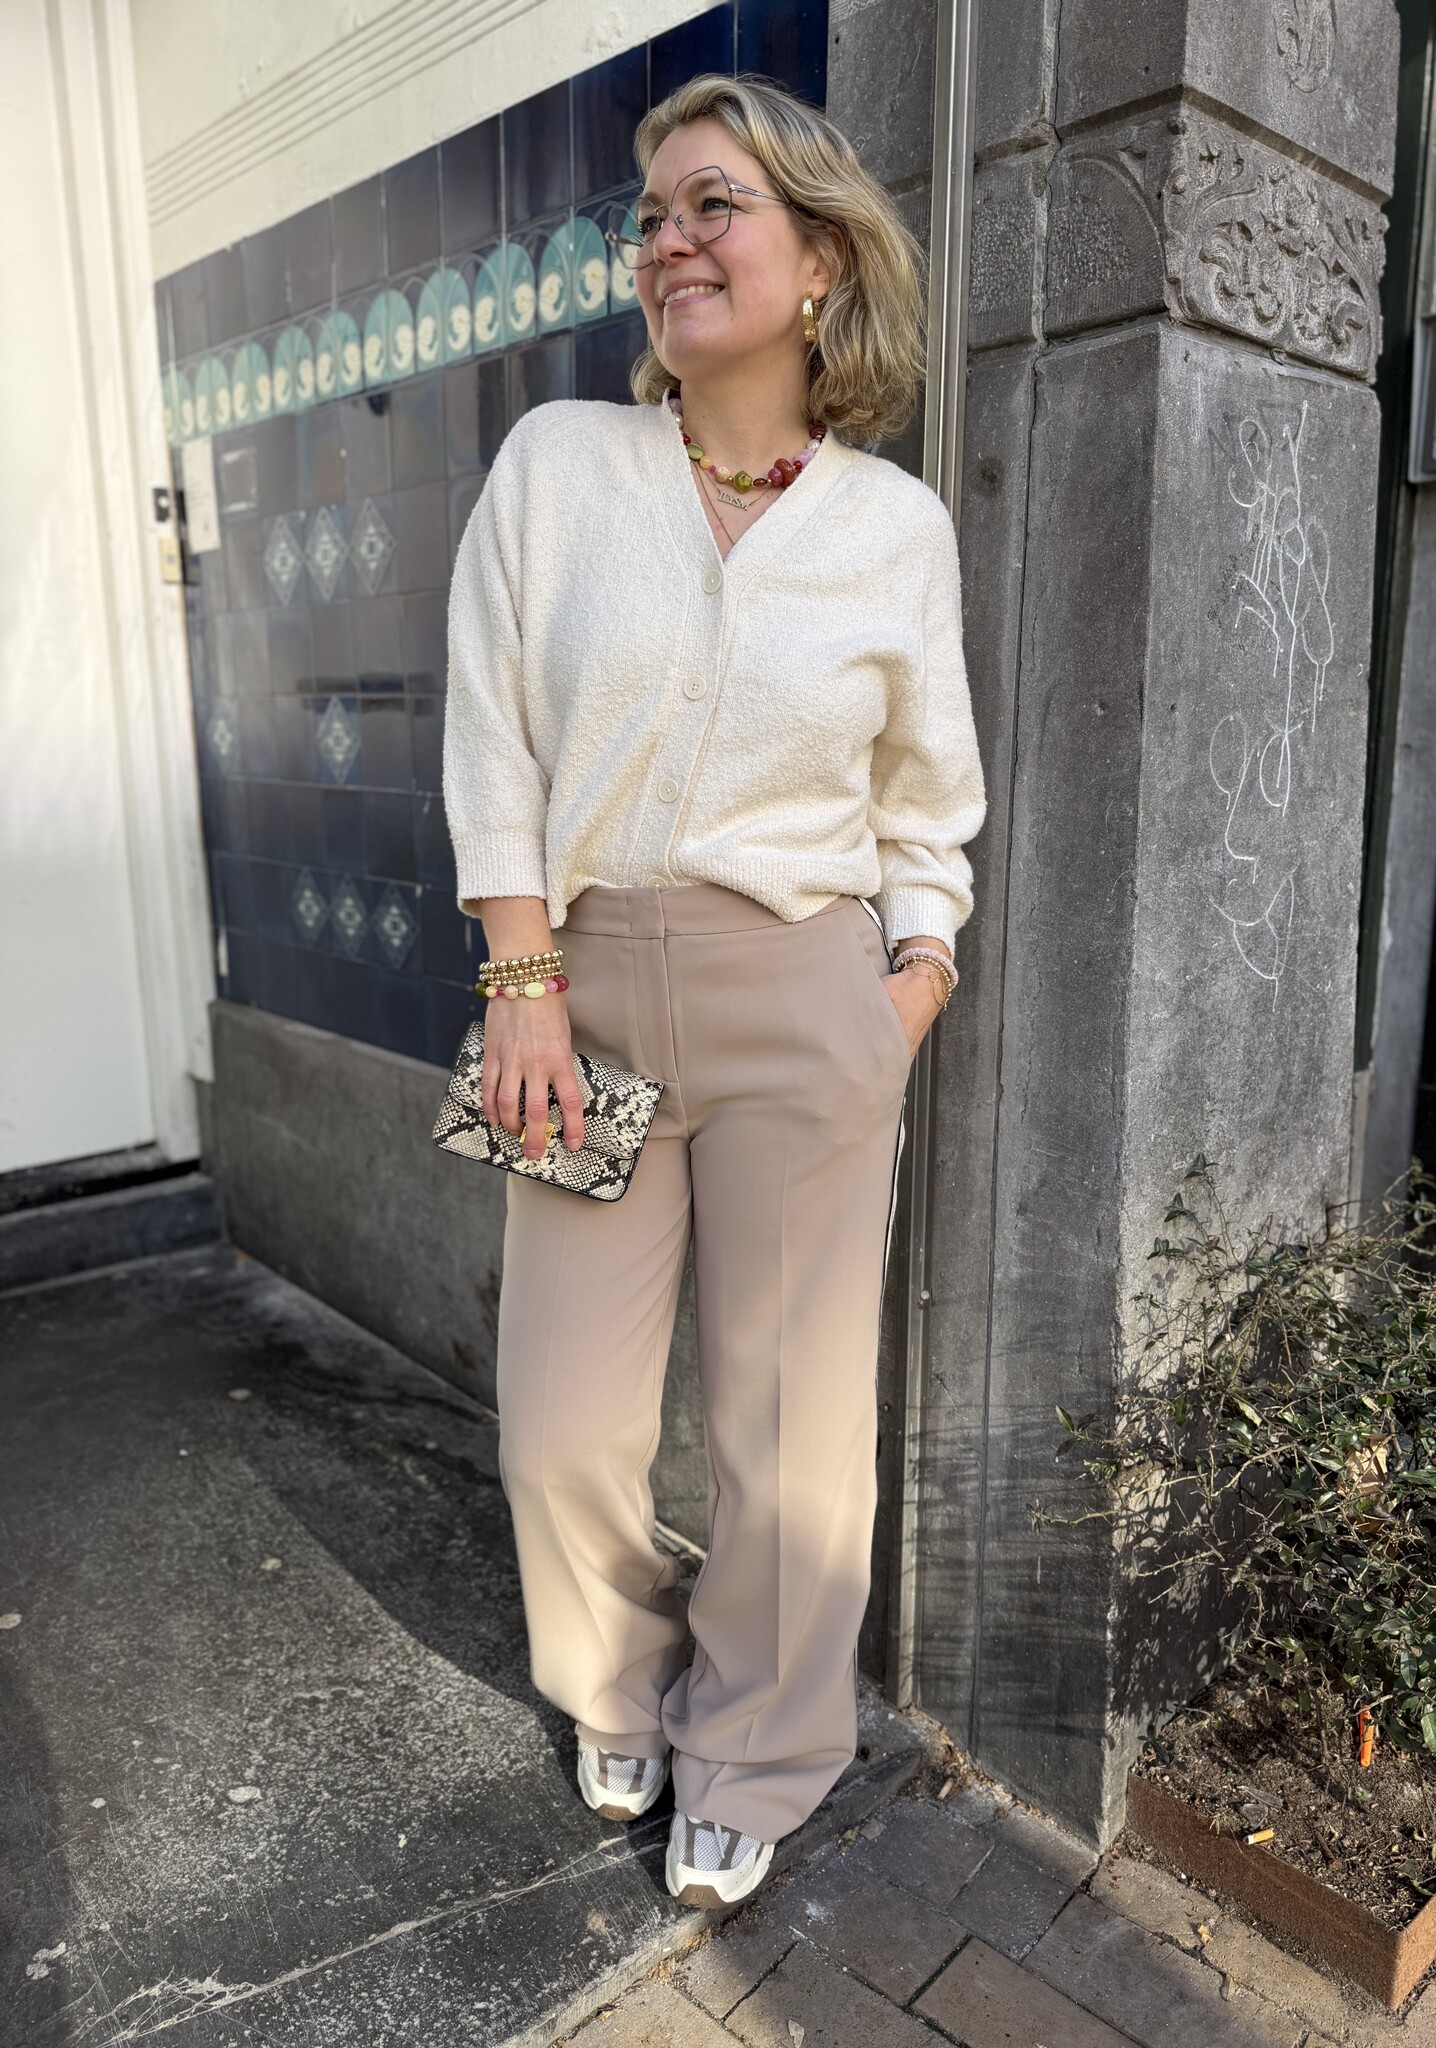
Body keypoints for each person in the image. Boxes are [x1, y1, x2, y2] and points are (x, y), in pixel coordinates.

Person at [442, 68, 987, 1909]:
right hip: (575, 991)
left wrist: (909, 982)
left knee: (788, 1430)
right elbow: (492, 741)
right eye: (652, 214)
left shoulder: (893, 528)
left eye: (713, 205)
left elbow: (929, 803)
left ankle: (758, 1741)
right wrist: (522, 976)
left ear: (819, 259)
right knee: (563, 1421)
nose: (668, 240)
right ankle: (615, 1678)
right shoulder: (558, 467)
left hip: (806, 994)